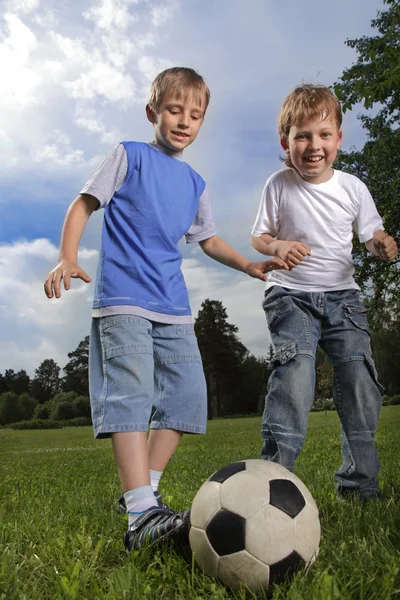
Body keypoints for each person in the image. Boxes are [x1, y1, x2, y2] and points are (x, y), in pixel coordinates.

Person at [44, 67, 287, 552]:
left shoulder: (195, 182)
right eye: (175, 111)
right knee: (130, 396)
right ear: (153, 112)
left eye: (194, 115)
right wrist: (67, 257)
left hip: (173, 306)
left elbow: (209, 240)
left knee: (187, 397)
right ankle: (140, 516)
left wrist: (247, 265)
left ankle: (144, 491)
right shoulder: (129, 155)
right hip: (122, 299)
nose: (184, 121)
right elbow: (83, 203)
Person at [251, 84, 398, 502]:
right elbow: (260, 236)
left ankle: (359, 486)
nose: (314, 146)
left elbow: (370, 233)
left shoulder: (353, 187)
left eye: (324, 135)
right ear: (286, 142)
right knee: (295, 378)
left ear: (338, 138)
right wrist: (278, 246)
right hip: (291, 296)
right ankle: (272, 484)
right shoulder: (278, 185)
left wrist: (382, 243)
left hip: (343, 299)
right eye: (302, 136)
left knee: (359, 382)